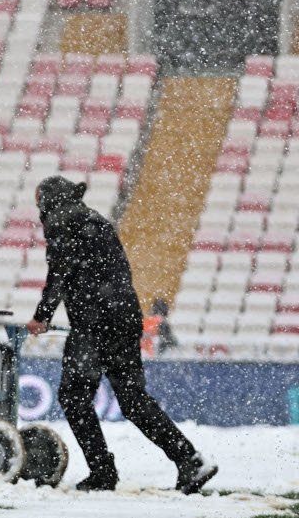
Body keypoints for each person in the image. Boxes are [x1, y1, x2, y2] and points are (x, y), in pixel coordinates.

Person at [26, 175, 217, 494]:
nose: (39, 211)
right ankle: (189, 459)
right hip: (124, 319)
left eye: (39, 204)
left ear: (48, 200)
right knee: (132, 400)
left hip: (94, 324)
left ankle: (102, 471)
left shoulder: (62, 219)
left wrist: (41, 317)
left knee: (73, 398)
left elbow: (59, 271)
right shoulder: (93, 219)